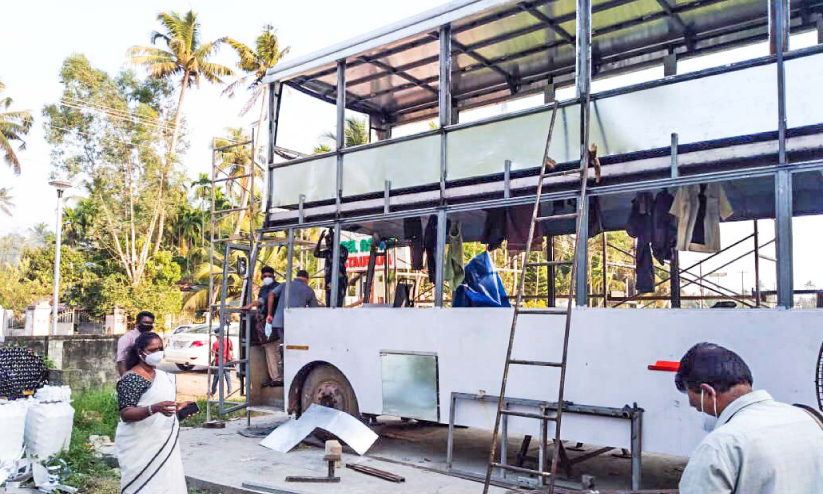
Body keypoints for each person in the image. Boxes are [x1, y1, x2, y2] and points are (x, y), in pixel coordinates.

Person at [675, 342, 823, 494]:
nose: (701, 412)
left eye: (697, 406)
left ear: (707, 392)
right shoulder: (813, 420)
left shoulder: (720, 445)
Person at [115, 332, 195, 494]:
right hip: (140, 445)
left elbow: (163, 407)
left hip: (162, 441)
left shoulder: (164, 377)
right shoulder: (131, 379)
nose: (158, 353)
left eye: (160, 348)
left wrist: (178, 408)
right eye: (152, 350)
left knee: (167, 483)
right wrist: (154, 408)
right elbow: (126, 413)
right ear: (140, 352)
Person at [239, 265, 279, 387]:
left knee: (272, 350)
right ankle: (274, 376)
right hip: (264, 323)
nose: (267, 278)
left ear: (273, 276)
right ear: (261, 276)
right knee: (269, 350)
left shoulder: (278, 287)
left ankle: (277, 377)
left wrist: (250, 305)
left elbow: (264, 300)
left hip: (275, 322)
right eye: (265, 276)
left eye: (269, 276)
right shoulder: (263, 288)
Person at [314, 228, 348, 307]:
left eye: (329, 240)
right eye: (326, 241)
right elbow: (316, 254)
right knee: (329, 305)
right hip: (329, 282)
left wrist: (331, 232)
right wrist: (319, 240)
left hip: (340, 282)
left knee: (338, 305)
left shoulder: (342, 249)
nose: (327, 243)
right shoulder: (328, 252)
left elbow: (337, 248)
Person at [116, 311, 155, 376]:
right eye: (146, 323)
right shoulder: (127, 338)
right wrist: (125, 379)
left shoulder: (151, 338)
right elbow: (121, 360)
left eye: (150, 323)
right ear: (137, 323)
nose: (148, 325)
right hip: (133, 375)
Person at [208, 328, 234, 398]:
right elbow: (231, 350)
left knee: (216, 378)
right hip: (228, 361)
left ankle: (213, 392)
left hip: (219, 362)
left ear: (216, 335)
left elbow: (213, 355)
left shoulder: (215, 343)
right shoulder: (229, 340)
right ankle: (229, 391)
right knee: (227, 377)